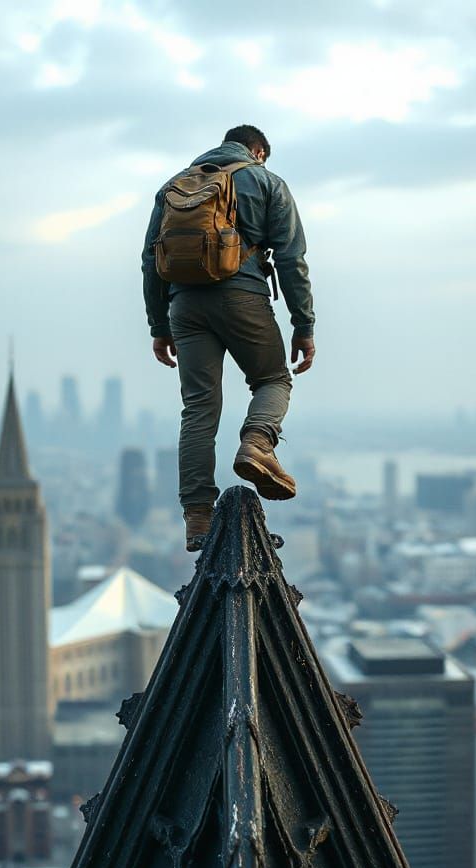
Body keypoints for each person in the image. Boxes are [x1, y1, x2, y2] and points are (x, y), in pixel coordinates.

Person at [141, 124, 316, 550]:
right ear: (257, 150)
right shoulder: (266, 181)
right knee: (273, 380)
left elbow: (150, 261)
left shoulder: (173, 187)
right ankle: (257, 442)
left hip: (184, 306)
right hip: (243, 297)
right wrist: (303, 326)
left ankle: (198, 517)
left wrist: (159, 327)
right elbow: (292, 259)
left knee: (199, 407)